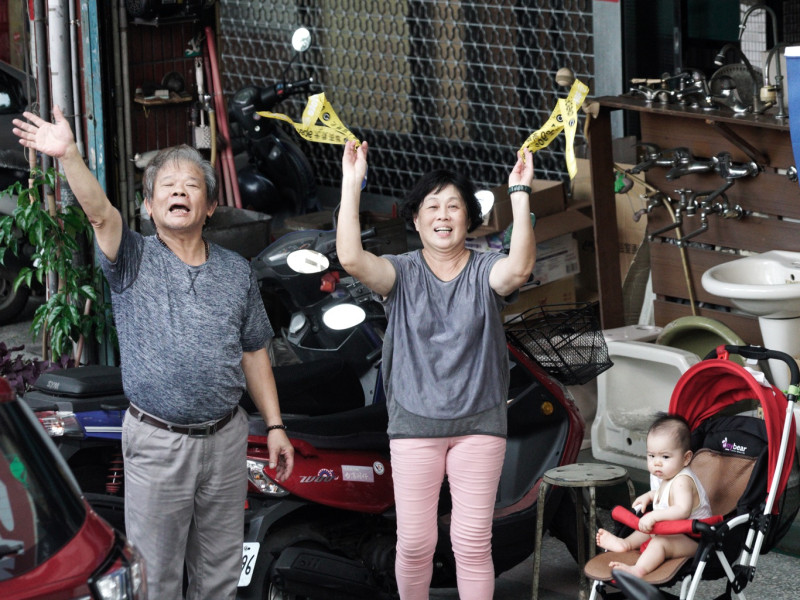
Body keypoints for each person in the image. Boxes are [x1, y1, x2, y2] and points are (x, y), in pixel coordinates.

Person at [13, 106, 294, 600]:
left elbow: (254, 351)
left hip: (226, 438)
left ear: (210, 207)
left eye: (191, 186)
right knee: (157, 581)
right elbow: (100, 212)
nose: (180, 191)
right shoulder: (133, 259)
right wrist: (71, 156)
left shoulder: (235, 271)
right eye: (167, 186)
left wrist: (273, 426)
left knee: (219, 579)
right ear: (148, 206)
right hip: (159, 443)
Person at [336, 139, 536, 600]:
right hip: (414, 426)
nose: (443, 215)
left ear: (468, 218)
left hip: (480, 424)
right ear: (416, 219)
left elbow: (519, 270)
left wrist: (520, 194)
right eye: (433, 206)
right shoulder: (400, 273)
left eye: (454, 206)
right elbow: (350, 258)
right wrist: (351, 183)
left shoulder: (486, 269)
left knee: (470, 543)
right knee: (416, 544)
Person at [596, 414, 711, 578]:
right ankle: (626, 543)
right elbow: (667, 497)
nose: (657, 462)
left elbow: (682, 509)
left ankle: (638, 569)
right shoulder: (669, 476)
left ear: (686, 458)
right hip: (674, 532)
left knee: (659, 540)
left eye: (665, 457)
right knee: (648, 527)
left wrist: (655, 515)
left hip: (695, 540)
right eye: (651, 456)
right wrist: (651, 495)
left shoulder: (683, 480)